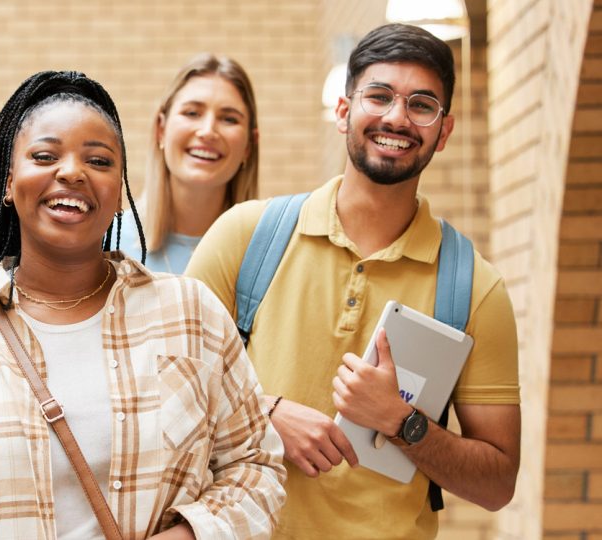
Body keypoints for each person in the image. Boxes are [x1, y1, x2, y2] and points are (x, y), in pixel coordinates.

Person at [0, 71, 285, 539]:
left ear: (119, 192)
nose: (72, 172)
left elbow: (257, 466)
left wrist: (186, 535)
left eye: (98, 161)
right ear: (7, 181)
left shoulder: (191, 313)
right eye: (45, 155)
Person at [186, 23, 520, 539]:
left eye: (422, 104)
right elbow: (159, 386)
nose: (396, 117)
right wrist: (264, 413)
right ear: (344, 111)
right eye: (379, 96)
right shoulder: (245, 236)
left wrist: (402, 422)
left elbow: (497, 484)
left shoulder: (477, 288)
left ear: (444, 130)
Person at [118, 53, 259, 274]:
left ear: (249, 145)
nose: (208, 131)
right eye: (192, 113)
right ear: (161, 130)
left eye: (229, 119)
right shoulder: (105, 245)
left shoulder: (269, 257)